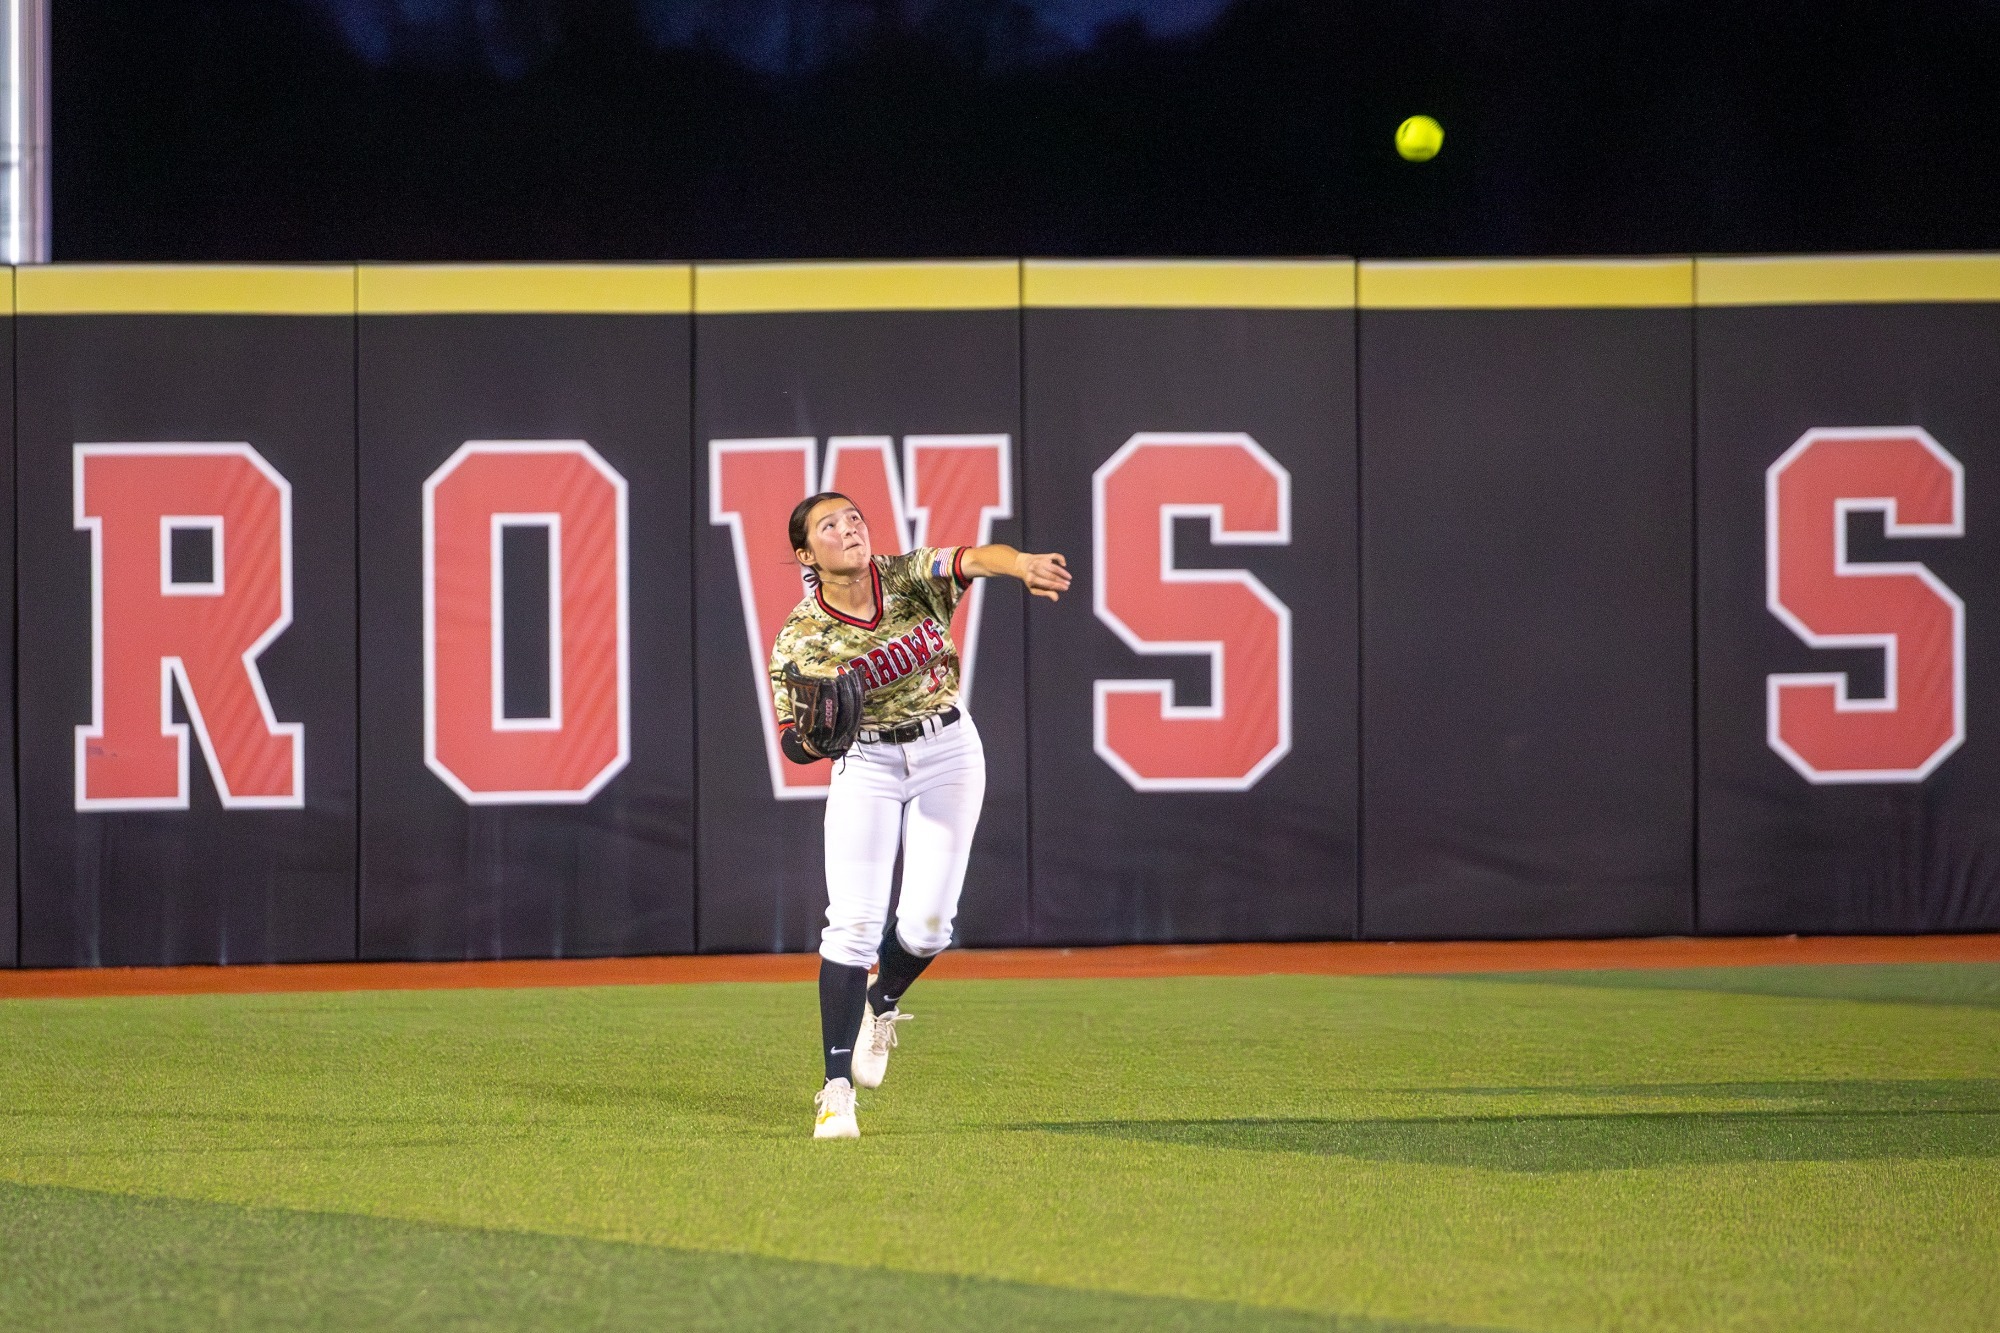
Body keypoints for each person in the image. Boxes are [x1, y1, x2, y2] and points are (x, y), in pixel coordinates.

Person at [769, 491, 1070, 1139]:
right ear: (805, 553)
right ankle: (835, 1089)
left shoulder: (904, 575)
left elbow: (973, 558)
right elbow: (794, 738)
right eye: (829, 524)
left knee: (930, 928)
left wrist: (1017, 564)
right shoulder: (802, 636)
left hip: (948, 749)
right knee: (850, 924)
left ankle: (882, 1002)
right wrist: (812, 739)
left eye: (853, 517)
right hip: (868, 764)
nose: (849, 528)